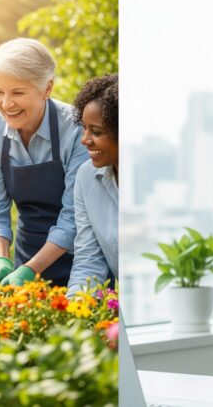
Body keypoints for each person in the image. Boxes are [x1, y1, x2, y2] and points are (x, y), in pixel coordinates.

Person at [0, 38, 88, 287]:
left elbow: (75, 216)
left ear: (46, 89)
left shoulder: (76, 128)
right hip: (26, 255)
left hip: (81, 263)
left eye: (18, 92)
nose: (6, 104)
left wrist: (30, 270)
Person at [66, 74, 118, 297]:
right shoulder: (86, 176)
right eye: (84, 128)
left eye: (96, 132)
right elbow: (89, 262)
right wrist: (74, 313)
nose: (84, 139)